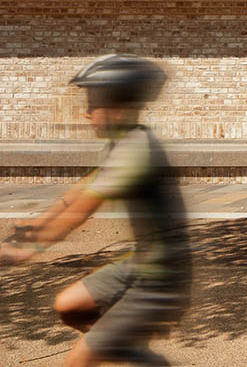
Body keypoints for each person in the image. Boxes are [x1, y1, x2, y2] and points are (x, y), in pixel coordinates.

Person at [0, 54, 191, 367]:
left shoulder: (136, 149)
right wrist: (34, 226)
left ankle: (127, 348)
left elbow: (82, 211)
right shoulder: (119, 143)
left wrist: (27, 250)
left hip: (161, 278)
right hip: (140, 263)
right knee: (69, 305)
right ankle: (132, 351)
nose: (86, 112)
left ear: (118, 105)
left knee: (78, 361)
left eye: (93, 102)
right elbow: (74, 196)